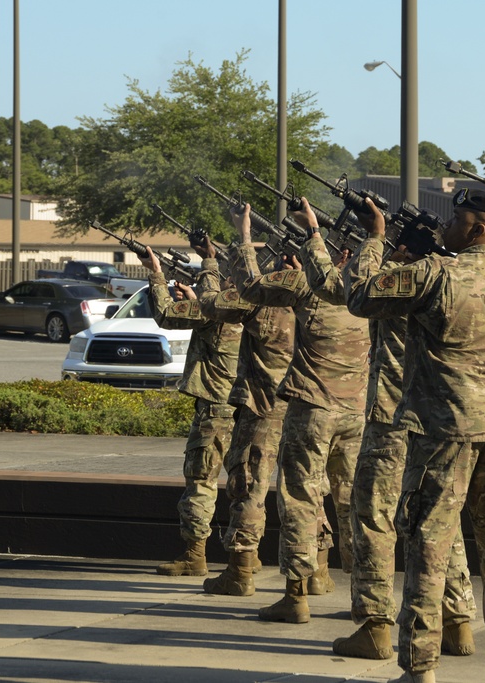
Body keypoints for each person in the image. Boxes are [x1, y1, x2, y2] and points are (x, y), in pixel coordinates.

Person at [345, 188, 485, 683]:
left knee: (428, 551)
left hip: (444, 434)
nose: (446, 229)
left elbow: (361, 296)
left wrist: (375, 239)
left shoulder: (436, 274)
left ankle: (421, 669)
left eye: (456, 220)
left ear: (477, 229)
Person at [331, 223, 477, 661]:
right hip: (436, 419)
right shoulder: (452, 282)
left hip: (391, 416)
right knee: (440, 521)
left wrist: (373, 237)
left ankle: (375, 625)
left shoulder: (400, 284)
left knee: (374, 516)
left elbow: (349, 286)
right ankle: (458, 622)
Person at [230, 202, 369, 624]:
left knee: (300, 501)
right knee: (353, 506)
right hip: (358, 412)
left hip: (312, 409)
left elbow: (250, 287)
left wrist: (243, 234)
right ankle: (365, 599)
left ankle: (295, 596)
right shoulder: (369, 293)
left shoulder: (308, 284)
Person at [196, 240, 295, 596]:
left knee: (248, 488)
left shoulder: (263, 303)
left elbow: (210, 304)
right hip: (304, 409)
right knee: (304, 491)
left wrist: (209, 263)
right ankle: (314, 575)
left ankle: (240, 570)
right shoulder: (322, 300)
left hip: (262, 408)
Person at [142, 246, 242, 578]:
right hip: (248, 406)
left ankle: (193, 555)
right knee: (245, 484)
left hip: (215, 407)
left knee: (201, 480)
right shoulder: (256, 305)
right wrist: (195, 294)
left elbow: (165, 313)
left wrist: (156, 272)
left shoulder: (216, 307)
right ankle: (245, 558)